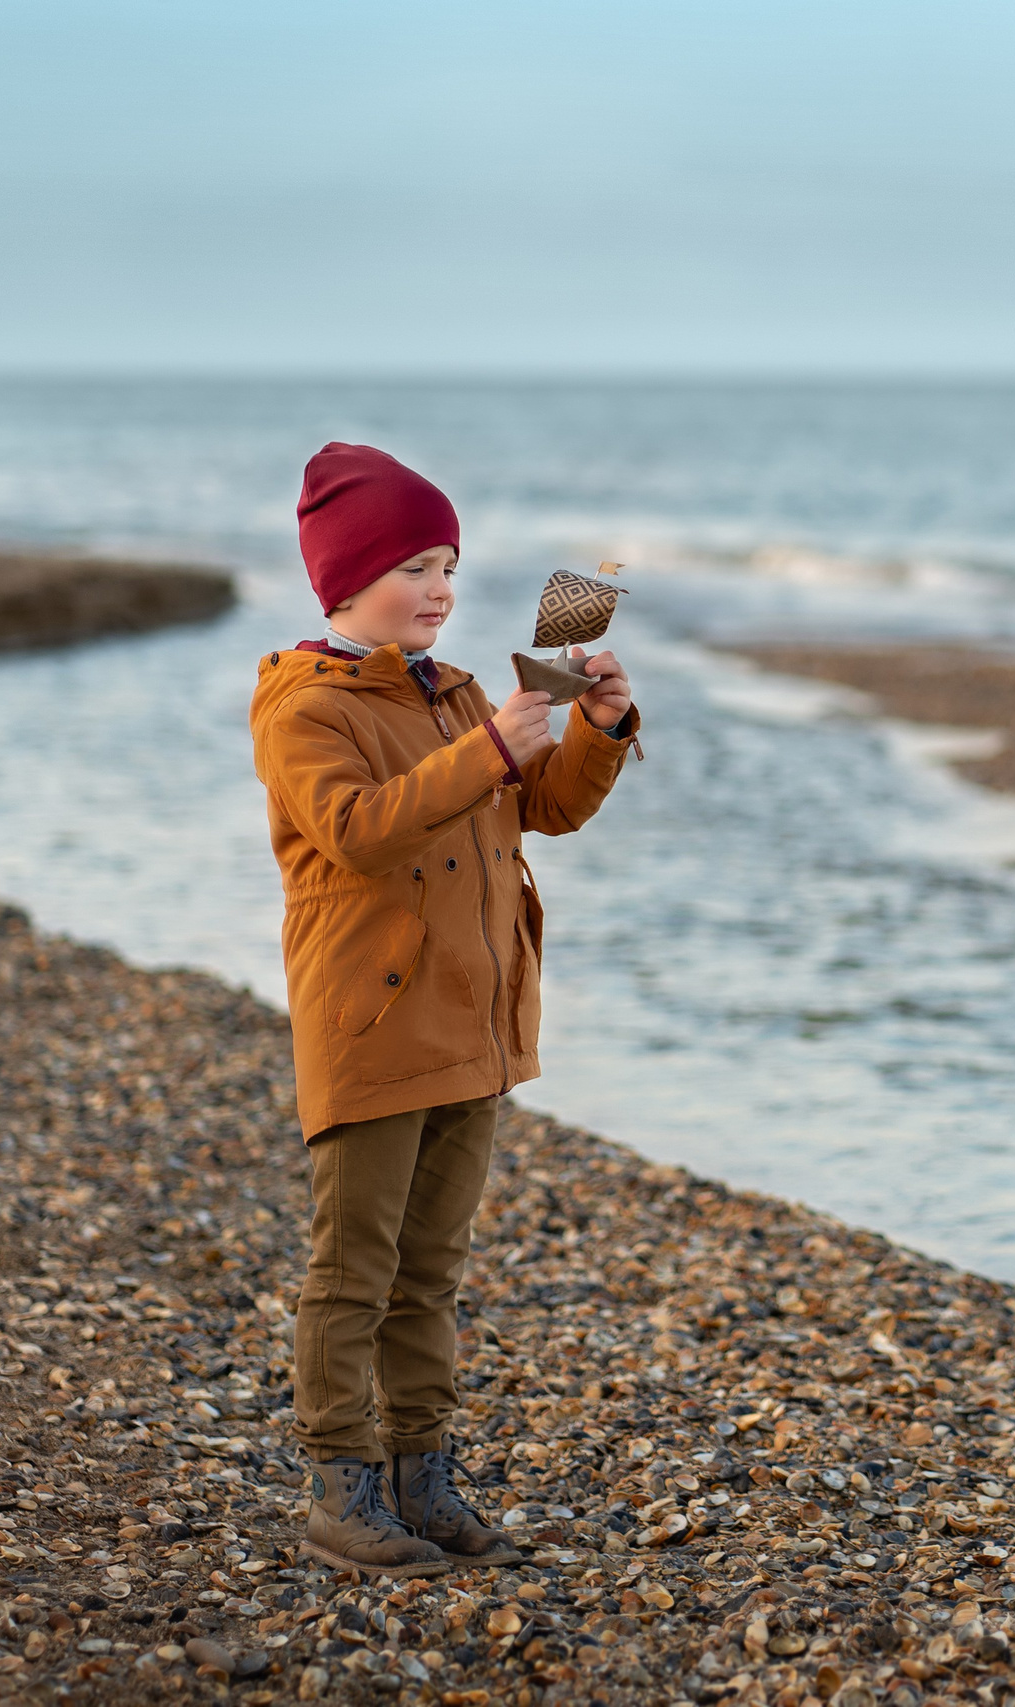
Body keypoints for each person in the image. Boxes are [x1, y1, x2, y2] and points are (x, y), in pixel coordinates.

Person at [248, 442, 641, 1577]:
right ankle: (340, 1494)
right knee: (353, 1272)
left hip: (472, 1024)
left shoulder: (459, 689)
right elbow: (361, 830)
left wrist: (592, 729)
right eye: (416, 565)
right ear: (346, 579)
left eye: (451, 567)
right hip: (371, 1028)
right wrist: (482, 751)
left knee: (434, 1274)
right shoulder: (304, 707)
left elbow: (546, 814)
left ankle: (425, 1482)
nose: (440, 589)